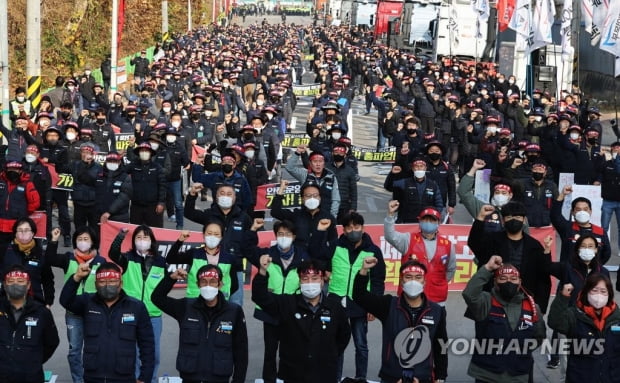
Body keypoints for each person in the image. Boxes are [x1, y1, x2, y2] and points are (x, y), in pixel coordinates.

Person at [252, 258, 351, 383]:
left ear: (322, 281)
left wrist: (330, 354)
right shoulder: (287, 303)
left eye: (314, 279)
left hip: (324, 373)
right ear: (299, 281)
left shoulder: (334, 307)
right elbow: (260, 297)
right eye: (305, 279)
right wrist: (262, 272)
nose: (310, 283)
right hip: (292, 373)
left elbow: (344, 335)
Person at [352, 258, 448, 383]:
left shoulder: (436, 310)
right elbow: (359, 296)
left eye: (418, 277)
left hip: (423, 377)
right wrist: (364, 270)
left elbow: (441, 345)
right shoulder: (388, 305)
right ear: (402, 282)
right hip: (392, 377)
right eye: (408, 277)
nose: (413, 281)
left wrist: (441, 377)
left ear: (424, 282)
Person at [60, 261, 155, 383]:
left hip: (124, 376)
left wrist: (145, 376)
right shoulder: (87, 302)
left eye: (112, 281)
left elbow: (147, 344)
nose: (107, 285)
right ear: (95, 285)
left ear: (120, 284)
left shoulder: (136, 307)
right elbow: (65, 301)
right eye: (102, 282)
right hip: (93, 376)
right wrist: (76, 277)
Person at [151, 264, 248, 383]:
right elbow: (157, 298)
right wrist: (171, 278)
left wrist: (238, 380)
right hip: (190, 377)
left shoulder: (234, 311)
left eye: (212, 282)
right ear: (198, 284)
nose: (208, 286)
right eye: (203, 282)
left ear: (220, 284)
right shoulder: (186, 307)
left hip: (219, 377)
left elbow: (241, 351)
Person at [243, 218, 310, 383]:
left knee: (291, 351)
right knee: (270, 352)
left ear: (294, 236)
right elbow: (245, 249)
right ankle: (269, 380)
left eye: (287, 234)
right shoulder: (266, 254)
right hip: (270, 310)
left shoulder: (303, 257)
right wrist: (253, 230)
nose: (284, 237)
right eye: (280, 234)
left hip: (293, 311)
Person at [323, 212, 386, 382]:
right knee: (337, 344)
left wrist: (374, 305)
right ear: (343, 230)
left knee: (361, 345)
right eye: (349, 227)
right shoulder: (335, 246)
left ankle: (361, 378)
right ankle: (334, 378)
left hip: (361, 303)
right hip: (336, 301)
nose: (353, 231)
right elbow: (324, 266)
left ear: (363, 228)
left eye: (356, 227)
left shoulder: (373, 250)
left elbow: (378, 280)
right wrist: (325, 272)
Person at [463, 257, 547, 383]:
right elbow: (469, 294)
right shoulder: (486, 301)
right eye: (503, 278)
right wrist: (487, 269)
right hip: (486, 374)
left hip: (518, 374)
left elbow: (539, 336)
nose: (509, 282)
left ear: (519, 283)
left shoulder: (532, 307)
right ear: (495, 282)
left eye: (513, 279)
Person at [468, 202, 555, 313]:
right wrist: (480, 217)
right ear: (503, 221)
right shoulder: (492, 240)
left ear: (524, 220)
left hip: (523, 301)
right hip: (493, 299)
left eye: (518, 217)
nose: (514, 220)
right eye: (509, 217)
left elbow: (543, 279)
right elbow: (474, 243)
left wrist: (540, 309)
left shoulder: (534, 246)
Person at [47, 226, 107, 383]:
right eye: (79, 239)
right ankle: (78, 380)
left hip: (94, 312)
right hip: (73, 313)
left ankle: (94, 378)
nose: (82, 242)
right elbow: (50, 259)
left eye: (86, 239)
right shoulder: (69, 258)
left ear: (93, 241)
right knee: (74, 350)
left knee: (95, 348)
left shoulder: (101, 262)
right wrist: (53, 240)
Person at [109, 226, 166, 383]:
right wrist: (120, 236)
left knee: (153, 354)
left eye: (146, 237)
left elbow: (165, 286)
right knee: (131, 352)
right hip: (130, 313)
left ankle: (151, 379)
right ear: (134, 241)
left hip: (153, 314)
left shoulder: (161, 262)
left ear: (152, 241)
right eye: (139, 237)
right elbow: (112, 253)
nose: (142, 241)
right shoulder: (128, 258)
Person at [548, 274, 620, 383]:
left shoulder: (616, 317)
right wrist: (563, 298)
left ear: (609, 294)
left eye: (603, 291)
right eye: (594, 290)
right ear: (586, 292)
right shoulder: (574, 314)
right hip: (580, 377)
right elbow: (555, 323)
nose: (599, 295)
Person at [384, 201, 456, 305]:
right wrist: (390, 215)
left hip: (437, 298)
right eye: (425, 219)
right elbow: (390, 236)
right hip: (409, 297)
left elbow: (451, 269)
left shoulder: (447, 245)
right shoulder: (408, 239)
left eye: (432, 220)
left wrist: (438, 282)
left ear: (438, 223)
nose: (428, 222)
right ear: (420, 221)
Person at [0, 265, 59, 383]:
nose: (15, 284)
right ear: (5, 285)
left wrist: (33, 360)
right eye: (11, 281)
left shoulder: (42, 312)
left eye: (20, 281)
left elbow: (51, 342)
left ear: (28, 285)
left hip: (31, 376)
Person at [165, 221, 239, 299]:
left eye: (216, 234)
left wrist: (221, 297)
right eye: (209, 233)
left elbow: (234, 285)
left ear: (221, 237)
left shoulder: (229, 258)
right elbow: (170, 259)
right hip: (194, 302)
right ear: (203, 235)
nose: (212, 237)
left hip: (219, 305)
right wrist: (180, 241)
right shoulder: (194, 254)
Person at [270, 179, 338, 255]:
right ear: (302, 199)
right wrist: (281, 189)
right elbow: (275, 212)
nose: (312, 198)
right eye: (308, 196)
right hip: (299, 259)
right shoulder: (296, 214)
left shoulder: (328, 217)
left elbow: (333, 242)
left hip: (320, 260)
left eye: (315, 195)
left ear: (320, 197)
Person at [0, 218, 54, 307]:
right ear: (15, 234)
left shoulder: (40, 254)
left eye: (26, 230)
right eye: (20, 230)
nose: (23, 233)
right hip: (6, 301)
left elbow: (47, 280)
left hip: (35, 301)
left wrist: (48, 302)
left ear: (33, 233)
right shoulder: (4, 250)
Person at [551, 187, 611, 264]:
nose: (582, 212)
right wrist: (562, 195)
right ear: (572, 212)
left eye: (585, 209)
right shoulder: (567, 228)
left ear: (590, 211)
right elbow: (555, 216)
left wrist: (596, 267)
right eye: (578, 209)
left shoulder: (600, 231)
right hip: (569, 272)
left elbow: (606, 253)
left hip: (591, 273)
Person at [384, 157, 444, 223]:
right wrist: (392, 174)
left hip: (426, 221)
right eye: (416, 166)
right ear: (412, 169)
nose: (419, 168)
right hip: (407, 221)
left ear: (425, 168)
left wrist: (433, 217)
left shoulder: (433, 185)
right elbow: (388, 186)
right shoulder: (405, 182)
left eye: (421, 166)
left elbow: (439, 204)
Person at [286, 146, 340, 217]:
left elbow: (336, 199)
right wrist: (297, 152)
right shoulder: (305, 174)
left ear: (324, 163)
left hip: (325, 216)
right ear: (310, 164)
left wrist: (332, 216)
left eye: (320, 161)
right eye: (315, 161)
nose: (318, 164)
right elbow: (289, 168)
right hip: (306, 215)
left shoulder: (331, 176)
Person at [0, 162, 40, 252]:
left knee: (15, 251)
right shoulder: (1, 181)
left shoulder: (27, 184)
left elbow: (35, 202)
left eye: (15, 169)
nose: (12, 171)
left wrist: (24, 212)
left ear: (20, 170)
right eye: (10, 169)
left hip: (17, 225)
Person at [127, 143, 167, 227]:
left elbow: (162, 186)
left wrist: (161, 203)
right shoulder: (133, 166)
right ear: (138, 153)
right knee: (135, 231)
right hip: (136, 206)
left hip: (153, 206)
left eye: (146, 151)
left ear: (150, 153)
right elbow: (121, 171)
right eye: (142, 151)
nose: (144, 152)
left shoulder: (157, 167)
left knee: (155, 232)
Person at [70, 143, 102, 229]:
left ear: (92, 154)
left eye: (88, 152)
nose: (85, 154)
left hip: (93, 203)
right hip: (79, 203)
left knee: (94, 229)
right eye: (83, 152)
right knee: (79, 228)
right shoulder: (75, 165)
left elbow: (96, 182)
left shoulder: (98, 167)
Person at [598, 142, 620, 258]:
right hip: (608, 200)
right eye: (614, 148)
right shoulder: (606, 162)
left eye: (618, 148)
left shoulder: (617, 163)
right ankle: (603, 247)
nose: (616, 150)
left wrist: (618, 159)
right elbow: (600, 173)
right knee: (604, 227)